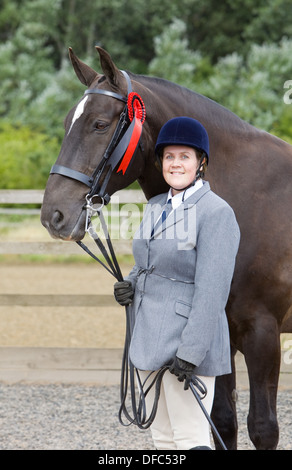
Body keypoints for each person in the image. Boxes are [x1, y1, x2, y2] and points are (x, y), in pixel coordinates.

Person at [114, 116, 240, 450]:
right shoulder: (156, 206)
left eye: (185, 156)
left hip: (186, 344)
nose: (175, 164)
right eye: (169, 156)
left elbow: (212, 291)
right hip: (150, 335)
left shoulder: (216, 213)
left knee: (189, 437)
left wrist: (191, 352)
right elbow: (149, 262)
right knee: (162, 438)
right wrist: (131, 283)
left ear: (201, 163)